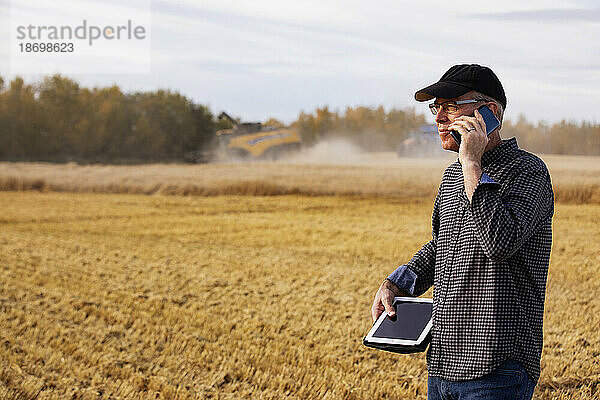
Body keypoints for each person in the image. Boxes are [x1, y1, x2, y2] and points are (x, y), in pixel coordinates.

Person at [370, 64, 554, 399]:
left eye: (452, 106)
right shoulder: (452, 176)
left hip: (496, 368)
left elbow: (499, 241)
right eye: (436, 107)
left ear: (491, 112)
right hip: (442, 365)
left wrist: (473, 164)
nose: (439, 117)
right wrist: (398, 283)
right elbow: (444, 245)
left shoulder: (529, 171)